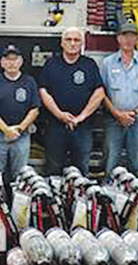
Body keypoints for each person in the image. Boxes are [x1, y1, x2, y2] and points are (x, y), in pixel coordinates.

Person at [39, 27, 105, 176]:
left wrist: (80, 117)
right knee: (53, 170)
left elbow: (99, 92)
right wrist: (59, 114)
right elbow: (43, 91)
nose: (73, 43)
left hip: (83, 128)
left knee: (81, 170)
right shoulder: (51, 64)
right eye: (68, 40)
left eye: (77, 40)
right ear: (62, 43)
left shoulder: (89, 65)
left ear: (82, 43)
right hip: (55, 126)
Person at [100, 23, 138, 178]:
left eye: (132, 36)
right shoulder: (107, 63)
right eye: (124, 35)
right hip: (113, 121)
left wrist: (135, 113)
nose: (128, 39)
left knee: (136, 166)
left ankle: (137, 201)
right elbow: (100, 92)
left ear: (137, 39)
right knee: (110, 165)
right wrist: (116, 113)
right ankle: (109, 197)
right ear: (118, 38)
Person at [0, 45, 40, 179]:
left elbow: (35, 109)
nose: (11, 63)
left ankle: (17, 201)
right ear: (2, 63)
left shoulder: (29, 82)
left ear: (21, 62)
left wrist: (19, 129)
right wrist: (5, 130)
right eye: (8, 60)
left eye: (15, 59)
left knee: (21, 177)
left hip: (21, 136)